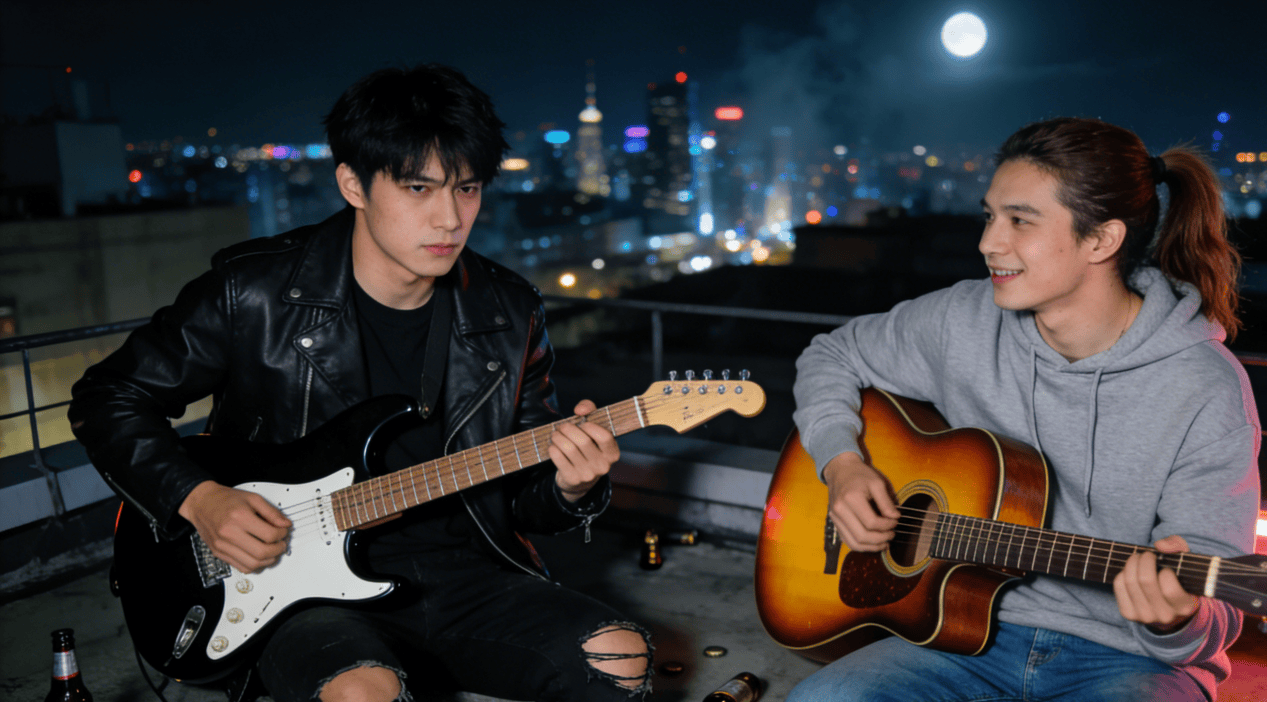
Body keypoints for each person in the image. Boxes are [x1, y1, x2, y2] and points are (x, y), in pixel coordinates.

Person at [68, 64, 651, 702]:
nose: (450, 219)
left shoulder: (510, 312)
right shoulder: (253, 292)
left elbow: (523, 500)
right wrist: (199, 499)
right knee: (361, 694)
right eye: (418, 189)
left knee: (620, 658)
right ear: (353, 184)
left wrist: (572, 485)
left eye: (467, 189)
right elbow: (108, 397)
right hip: (298, 588)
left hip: (463, 570)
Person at [787, 117, 1260, 701]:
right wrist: (842, 465)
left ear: (1102, 240)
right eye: (989, 216)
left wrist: (1177, 619)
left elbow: (1216, 616)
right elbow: (831, 355)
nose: (988, 243)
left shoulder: (1206, 389)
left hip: (1129, 660)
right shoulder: (962, 319)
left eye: (1020, 220)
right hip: (961, 633)